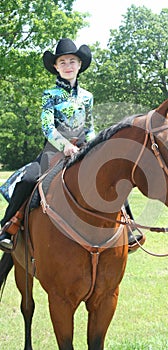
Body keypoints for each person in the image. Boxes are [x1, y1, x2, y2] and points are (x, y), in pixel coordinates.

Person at [0, 38, 143, 252]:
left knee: (114, 177)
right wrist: (64, 145)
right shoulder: (50, 95)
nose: (68, 66)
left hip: (84, 149)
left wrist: (96, 145)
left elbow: (90, 127)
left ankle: (129, 226)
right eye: (63, 62)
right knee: (29, 178)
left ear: (79, 66)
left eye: (72, 61)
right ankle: (9, 227)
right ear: (56, 67)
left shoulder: (87, 97)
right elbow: (47, 127)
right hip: (53, 151)